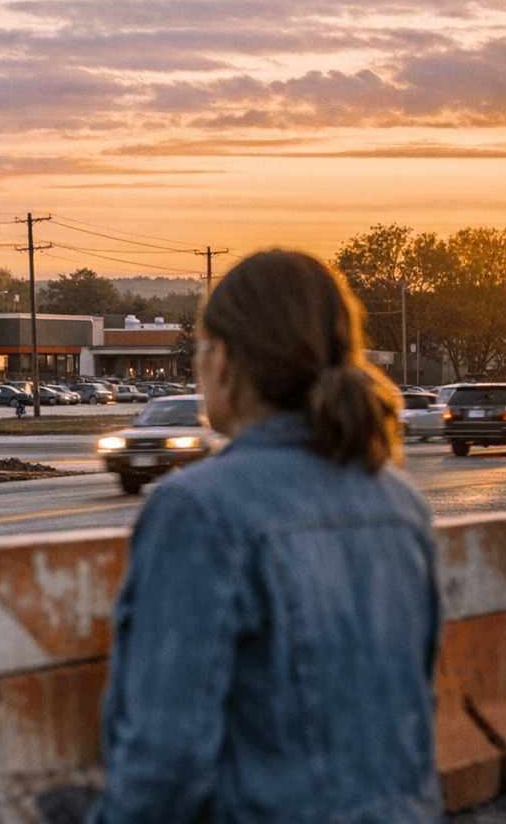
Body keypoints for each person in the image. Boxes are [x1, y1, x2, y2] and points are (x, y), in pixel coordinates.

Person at [90, 250, 441, 823]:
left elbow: (163, 760)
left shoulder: (200, 511)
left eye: (200, 350)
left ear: (223, 360)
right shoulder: (401, 504)